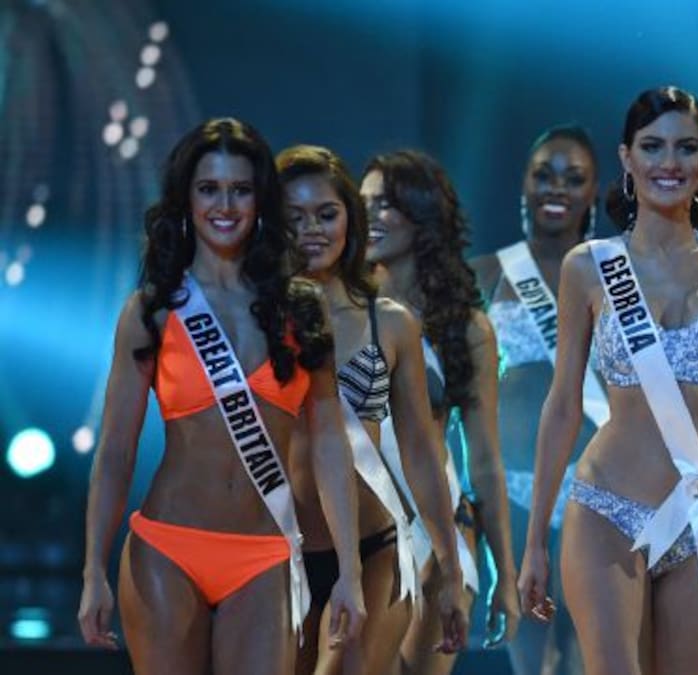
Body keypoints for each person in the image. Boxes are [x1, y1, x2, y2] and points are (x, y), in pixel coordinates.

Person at [517, 86, 698, 674]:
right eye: (652, 146)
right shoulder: (589, 266)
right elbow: (562, 406)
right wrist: (535, 539)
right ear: (626, 158)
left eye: (686, 148)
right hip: (606, 511)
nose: (669, 162)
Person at [77, 118, 366, 673]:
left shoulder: (301, 307)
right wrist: (93, 570)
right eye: (209, 189)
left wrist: (350, 571)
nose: (225, 206)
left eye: (241, 190)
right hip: (168, 547)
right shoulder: (153, 309)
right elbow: (115, 450)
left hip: (265, 554)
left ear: (261, 200)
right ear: (186, 199)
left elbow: (332, 442)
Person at [277, 145, 468, 673]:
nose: (312, 230)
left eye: (326, 214)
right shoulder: (254, 320)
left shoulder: (392, 322)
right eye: (294, 217)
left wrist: (451, 571)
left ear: (350, 220)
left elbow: (422, 453)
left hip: (373, 551)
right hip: (280, 555)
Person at [362, 150, 519, 674]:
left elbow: (486, 461)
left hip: (438, 529)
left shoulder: (468, 329)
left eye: (385, 203)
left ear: (422, 213)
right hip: (357, 526)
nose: (368, 215)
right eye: (363, 203)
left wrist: (505, 574)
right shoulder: (341, 307)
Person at [470, 124, 602, 675]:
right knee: (529, 660)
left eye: (574, 178)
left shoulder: (617, 274)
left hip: (598, 489)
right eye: (544, 174)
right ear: (523, 182)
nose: (557, 188)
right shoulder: (485, 273)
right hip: (516, 492)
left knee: (590, 657)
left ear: (594, 192)